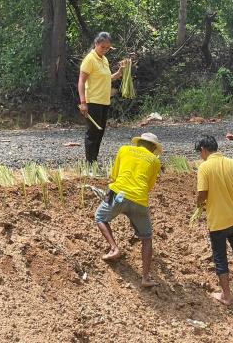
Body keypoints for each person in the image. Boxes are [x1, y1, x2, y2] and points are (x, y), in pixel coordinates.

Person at [95, 133, 162, 287]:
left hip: (119, 194)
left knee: (100, 218)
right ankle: (145, 278)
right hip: (140, 200)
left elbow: (114, 175)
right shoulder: (154, 161)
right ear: (153, 147)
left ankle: (114, 248)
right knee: (147, 238)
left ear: (139, 143)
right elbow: (150, 186)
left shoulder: (124, 149)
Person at [195, 135, 233, 305]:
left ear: (203, 150)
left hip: (218, 219)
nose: (200, 156)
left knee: (219, 256)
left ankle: (226, 295)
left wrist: (199, 205)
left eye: (199, 152)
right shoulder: (232, 162)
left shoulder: (204, 167)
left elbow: (202, 194)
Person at [78, 31, 130, 163]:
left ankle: (94, 161)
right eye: (103, 47)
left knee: (100, 133)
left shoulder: (104, 60)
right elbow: (81, 82)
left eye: (107, 48)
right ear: (96, 44)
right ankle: (90, 163)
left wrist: (120, 72)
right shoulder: (89, 59)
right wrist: (83, 102)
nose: (105, 50)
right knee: (92, 133)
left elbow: (107, 79)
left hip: (104, 102)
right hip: (93, 101)